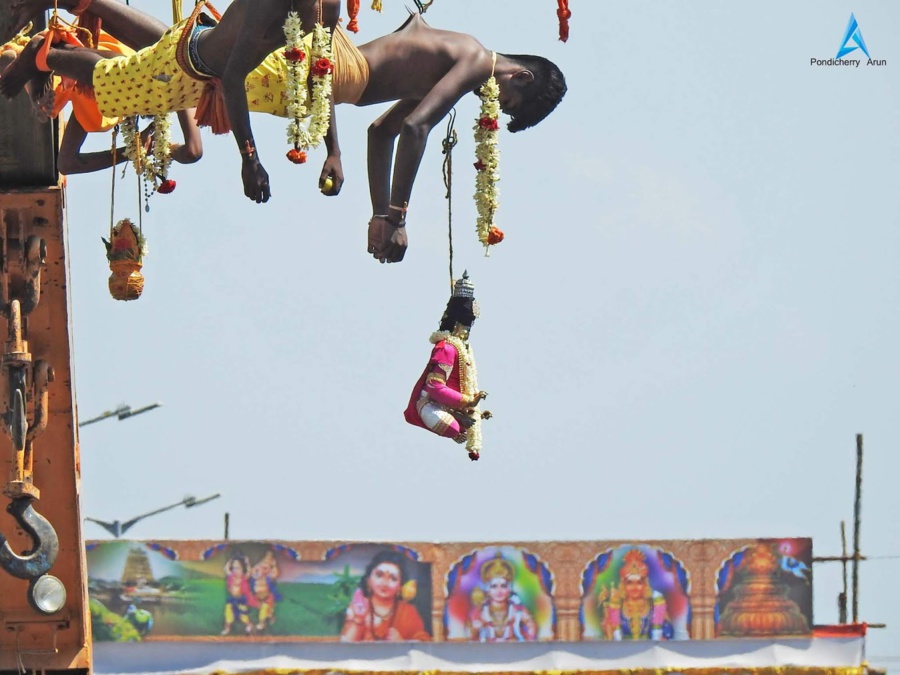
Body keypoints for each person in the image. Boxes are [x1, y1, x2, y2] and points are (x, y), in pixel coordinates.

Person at [2, 1, 566, 262]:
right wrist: (393, 217)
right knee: (156, 78)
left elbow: (383, 133)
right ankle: (46, 55)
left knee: (173, 66)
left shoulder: (446, 64)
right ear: (518, 75)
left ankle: (58, 46)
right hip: (299, 74)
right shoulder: (472, 58)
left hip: (307, 81)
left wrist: (363, 193)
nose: (495, 101)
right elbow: (416, 130)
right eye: (509, 99)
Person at [1, 0, 344, 201]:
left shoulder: (327, 8)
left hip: (196, 73)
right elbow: (232, 75)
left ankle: (47, 49)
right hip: (190, 63)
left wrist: (334, 151)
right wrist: (249, 158)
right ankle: (45, 55)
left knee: (123, 72)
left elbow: (320, 73)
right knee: (117, 79)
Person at [0, 6, 202, 176]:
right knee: (117, 79)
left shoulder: (107, 106)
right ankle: (43, 59)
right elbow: (192, 151)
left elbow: (66, 164)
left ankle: (41, 61)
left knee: (96, 95)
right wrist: (144, 150)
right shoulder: (183, 87)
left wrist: (137, 150)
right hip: (134, 65)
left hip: (113, 69)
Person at [404, 271, 490, 460]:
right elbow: (434, 387)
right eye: (465, 328)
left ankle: (459, 416)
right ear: (458, 325)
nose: (467, 333)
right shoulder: (447, 348)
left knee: (461, 426)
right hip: (428, 404)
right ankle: (458, 417)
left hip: (451, 405)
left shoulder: (463, 350)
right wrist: (469, 401)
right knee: (453, 429)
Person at [340, 549, 430, 642]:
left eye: (393, 578)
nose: (385, 583)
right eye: (379, 575)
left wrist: (401, 642)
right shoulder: (359, 607)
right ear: (368, 580)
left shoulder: (408, 611)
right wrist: (359, 619)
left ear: (400, 586)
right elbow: (345, 644)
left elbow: (423, 643)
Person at [597, 548, 674, 641]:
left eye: (639, 582)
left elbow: (667, 633)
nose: (634, 587)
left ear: (645, 584)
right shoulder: (617, 607)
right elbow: (609, 638)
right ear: (623, 586)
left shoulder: (654, 607)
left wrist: (662, 635)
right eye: (630, 583)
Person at [466, 554, 537, 642]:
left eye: (503, 586)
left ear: (509, 588)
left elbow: (531, 628)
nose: (499, 591)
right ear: (487, 590)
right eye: (494, 586)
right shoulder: (479, 611)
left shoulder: (518, 610)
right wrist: (475, 629)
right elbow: (470, 636)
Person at [221, 553, 254, 635]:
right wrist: (230, 560)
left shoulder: (244, 578)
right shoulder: (231, 576)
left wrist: (247, 562)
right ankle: (227, 628)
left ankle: (249, 625)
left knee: (244, 616)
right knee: (228, 614)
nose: (236, 571)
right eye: (234, 568)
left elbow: (250, 571)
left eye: (238, 568)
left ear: (243, 569)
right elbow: (226, 569)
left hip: (241, 599)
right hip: (232, 599)